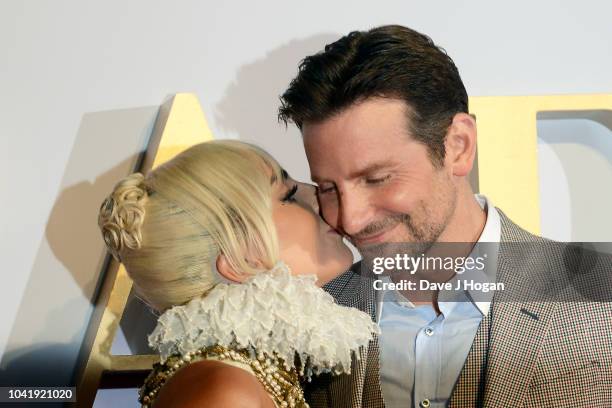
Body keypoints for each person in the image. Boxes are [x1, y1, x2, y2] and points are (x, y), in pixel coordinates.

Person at [279, 25, 612, 407]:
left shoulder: (600, 296)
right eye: (327, 188)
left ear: (458, 146)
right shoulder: (308, 316)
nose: (350, 220)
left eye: (377, 178)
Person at [98, 140, 379, 407]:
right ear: (237, 260)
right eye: (289, 196)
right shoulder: (224, 389)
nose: (318, 195)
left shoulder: (245, 374)